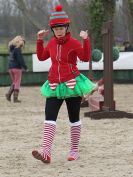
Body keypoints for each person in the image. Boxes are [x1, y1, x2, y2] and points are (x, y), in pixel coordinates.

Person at [32, 5, 96, 163]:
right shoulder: (52, 43)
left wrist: (86, 40)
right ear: (52, 29)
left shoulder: (74, 43)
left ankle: (74, 150)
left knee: (74, 118)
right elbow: (41, 57)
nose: (59, 30)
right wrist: (39, 40)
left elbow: (85, 57)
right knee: (49, 118)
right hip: (54, 84)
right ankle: (46, 152)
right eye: (56, 28)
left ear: (67, 27)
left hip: (72, 84)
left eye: (61, 27)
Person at [5, 35, 27, 103]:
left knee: (14, 82)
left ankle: (8, 95)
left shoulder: (11, 49)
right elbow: (20, 59)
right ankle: (15, 98)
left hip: (10, 67)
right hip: (16, 68)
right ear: (18, 42)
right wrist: (25, 67)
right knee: (17, 82)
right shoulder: (17, 49)